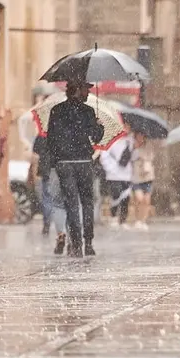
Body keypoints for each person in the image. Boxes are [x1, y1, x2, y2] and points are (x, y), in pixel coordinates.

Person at [45, 80, 104, 257]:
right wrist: (99, 126)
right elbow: (96, 137)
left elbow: (51, 140)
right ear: (77, 90)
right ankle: (89, 243)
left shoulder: (56, 111)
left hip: (64, 163)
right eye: (86, 89)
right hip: (84, 162)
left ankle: (77, 245)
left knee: (71, 204)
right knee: (87, 203)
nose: (88, 93)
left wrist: (57, 161)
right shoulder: (88, 111)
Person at [100, 129, 134, 228]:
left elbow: (133, 157)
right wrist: (111, 169)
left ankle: (123, 220)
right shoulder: (111, 140)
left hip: (127, 175)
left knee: (126, 198)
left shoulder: (130, 141)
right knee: (116, 195)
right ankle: (113, 217)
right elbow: (104, 156)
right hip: (113, 175)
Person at [130, 131, 155, 230]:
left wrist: (142, 155)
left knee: (146, 200)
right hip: (136, 176)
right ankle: (138, 219)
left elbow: (151, 157)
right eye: (138, 136)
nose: (140, 138)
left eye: (142, 136)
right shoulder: (132, 146)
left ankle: (143, 220)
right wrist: (135, 149)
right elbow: (129, 158)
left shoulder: (149, 146)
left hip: (147, 176)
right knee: (139, 199)